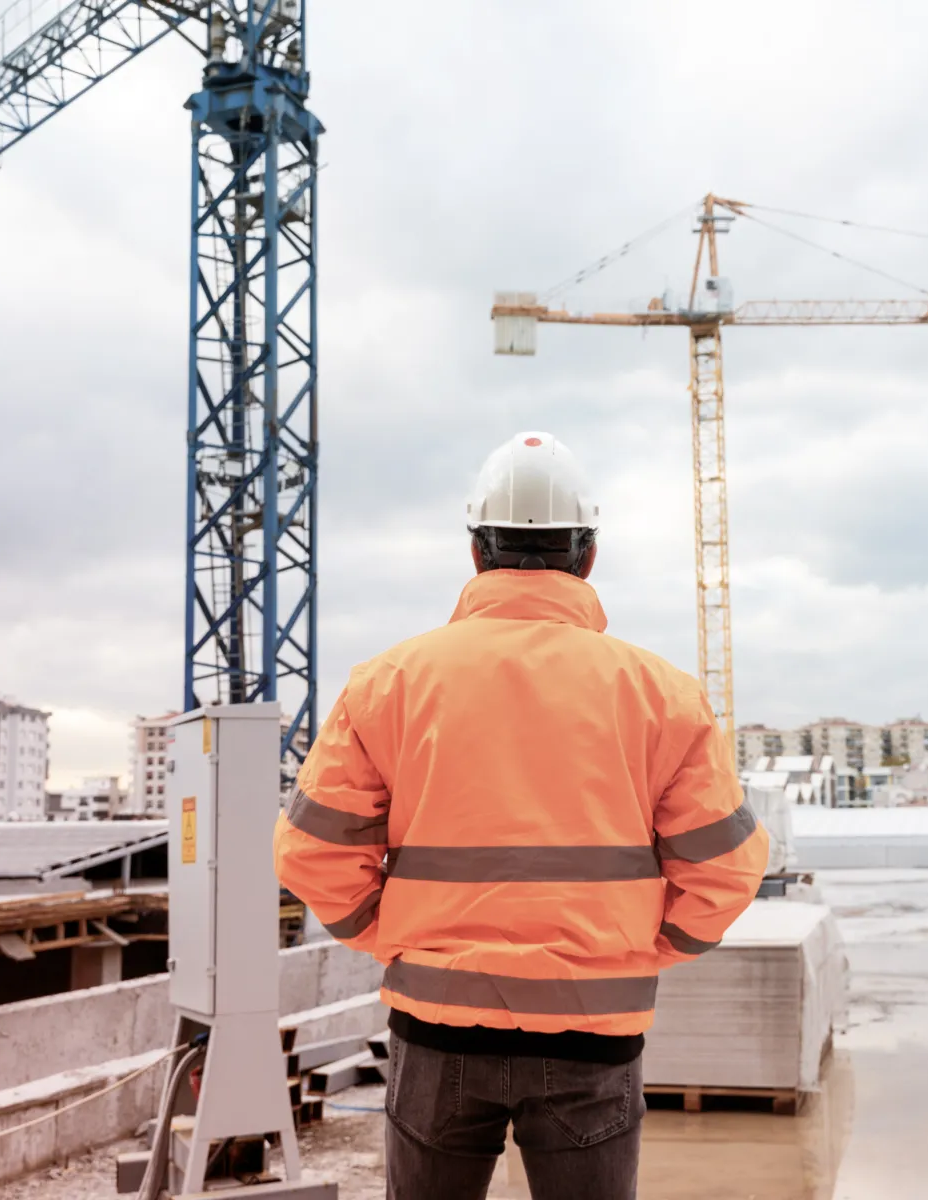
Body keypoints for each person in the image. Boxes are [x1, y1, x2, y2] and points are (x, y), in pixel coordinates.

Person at [274, 431, 769, 1199]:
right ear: (589, 555)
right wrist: (643, 949)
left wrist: (395, 940)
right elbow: (727, 866)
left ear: (476, 553)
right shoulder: (660, 692)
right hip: (593, 1034)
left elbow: (310, 849)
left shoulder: (390, 682)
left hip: (434, 1026)